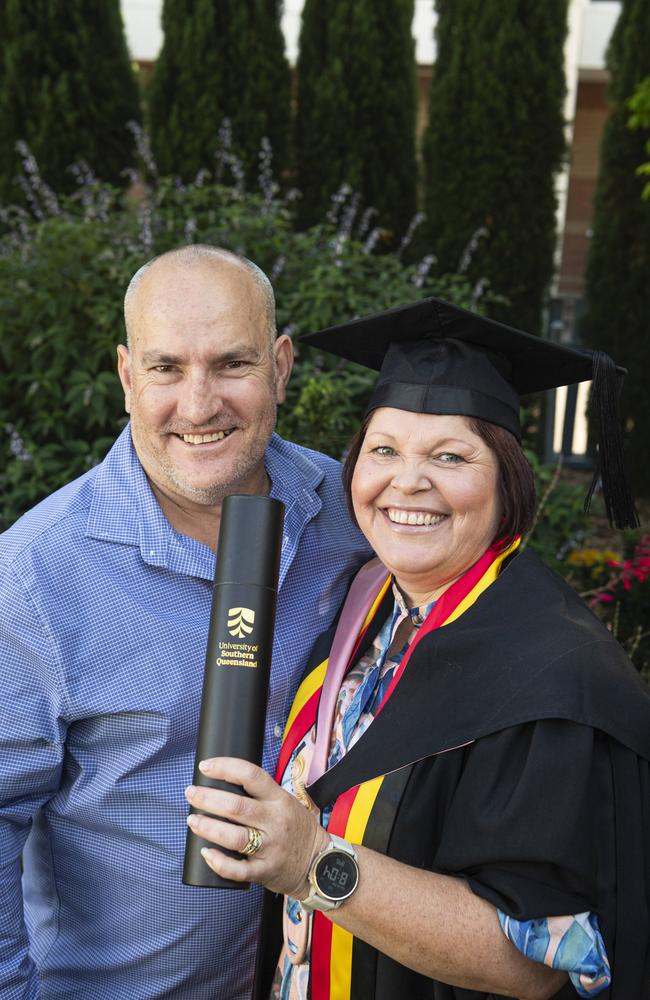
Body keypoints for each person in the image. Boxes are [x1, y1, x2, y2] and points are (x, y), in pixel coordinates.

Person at [185, 296, 650, 1000]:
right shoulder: (368, 604)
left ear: (507, 480)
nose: (407, 481)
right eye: (384, 450)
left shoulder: (555, 677)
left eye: (450, 456)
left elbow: (539, 960)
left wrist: (310, 860)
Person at [0, 245, 371, 999]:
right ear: (128, 377)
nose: (199, 405)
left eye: (232, 363)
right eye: (167, 368)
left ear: (282, 365)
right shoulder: (35, 574)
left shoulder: (356, 518)